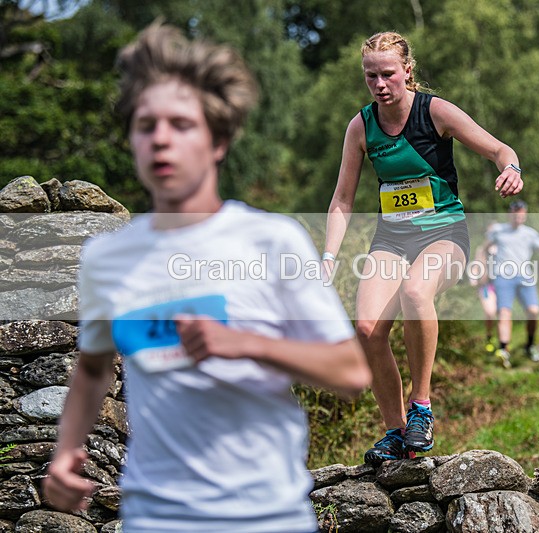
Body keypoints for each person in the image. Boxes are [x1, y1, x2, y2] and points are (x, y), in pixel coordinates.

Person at [43, 23, 370, 533]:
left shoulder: (272, 241)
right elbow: (91, 370)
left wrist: (243, 344)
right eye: (146, 125)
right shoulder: (107, 258)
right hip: (152, 518)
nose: (161, 140)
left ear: (218, 141)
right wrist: (67, 450)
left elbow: (350, 372)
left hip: (266, 518)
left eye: (181, 124)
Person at [323, 31, 522, 465]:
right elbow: (342, 200)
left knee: (416, 292)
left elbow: (499, 149)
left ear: (407, 72)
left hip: (445, 235)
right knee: (367, 328)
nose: (379, 84)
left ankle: (422, 409)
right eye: (370, 76)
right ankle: (396, 434)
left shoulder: (435, 112)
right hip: (392, 238)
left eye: (388, 74)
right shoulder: (361, 126)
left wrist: (512, 169)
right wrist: (327, 256)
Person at [485, 200, 539, 365]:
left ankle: (530, 345)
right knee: (504, 313)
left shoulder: (530, 233)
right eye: (515, 213)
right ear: (510, 214)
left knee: (534, 311)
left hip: (524, 277)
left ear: (525, 215)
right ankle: (503, 349)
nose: (517, 217)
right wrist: (482, 268)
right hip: (502, 276)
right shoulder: (498, 231)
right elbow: (484, 248)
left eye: (521, 213)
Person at [470, 221, 500, 359]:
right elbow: (476, 264)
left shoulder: (503, 247)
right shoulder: (481, 249)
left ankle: (503, 343)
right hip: (486, 285)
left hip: (501, 284)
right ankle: (489, 337)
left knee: (503, 313)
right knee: (490, 312)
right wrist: (474, 277)